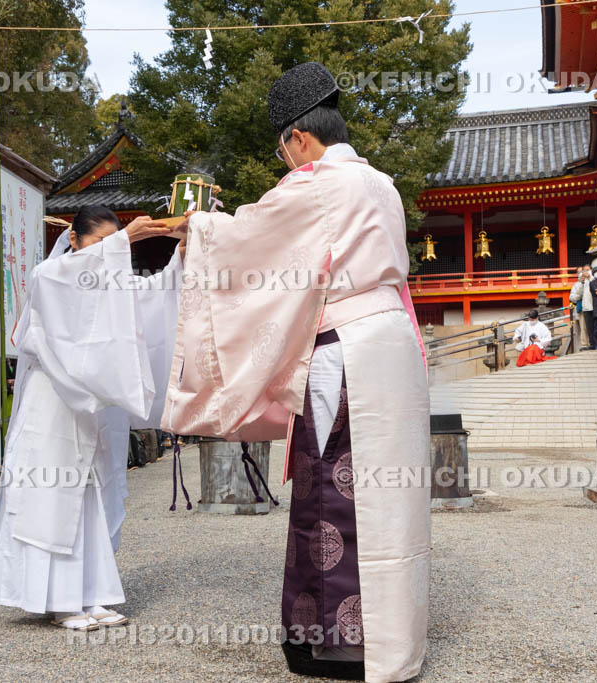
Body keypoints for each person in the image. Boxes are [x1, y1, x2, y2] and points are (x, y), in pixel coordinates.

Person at [162, 62, 430, 682]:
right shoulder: (382, 185)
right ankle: (393, 636)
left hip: (346, 349)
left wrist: (196, 225)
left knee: (335, 487)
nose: (284, 161)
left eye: (283, 149)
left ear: (300, 137)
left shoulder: (317, 184)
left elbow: (248, 238)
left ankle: (343, 645)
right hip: (393, 344)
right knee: (391, 498)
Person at [0, 206, 181, 631]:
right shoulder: (49, 275)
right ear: (73, 240)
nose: (110, 250)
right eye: (100, 242)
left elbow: (153, 294)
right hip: (52, 400)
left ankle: (90, 593)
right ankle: (58, 600)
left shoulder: (112, 283)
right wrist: (124, 239)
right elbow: (66, 283)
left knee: (90, 494)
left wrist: (183, 251)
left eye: (114, 242)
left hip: (86, 406)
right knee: (52, 494)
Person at [569, 266, 594, 350]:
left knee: (592, 326)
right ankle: (584, 343)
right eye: (581, 276)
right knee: (583, 327)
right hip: (583, 308)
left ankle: (593, 342)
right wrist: (580, 294)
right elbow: (572, 297)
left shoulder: (592, 282)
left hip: (592, 307)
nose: (583, 277)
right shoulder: (577, 285)